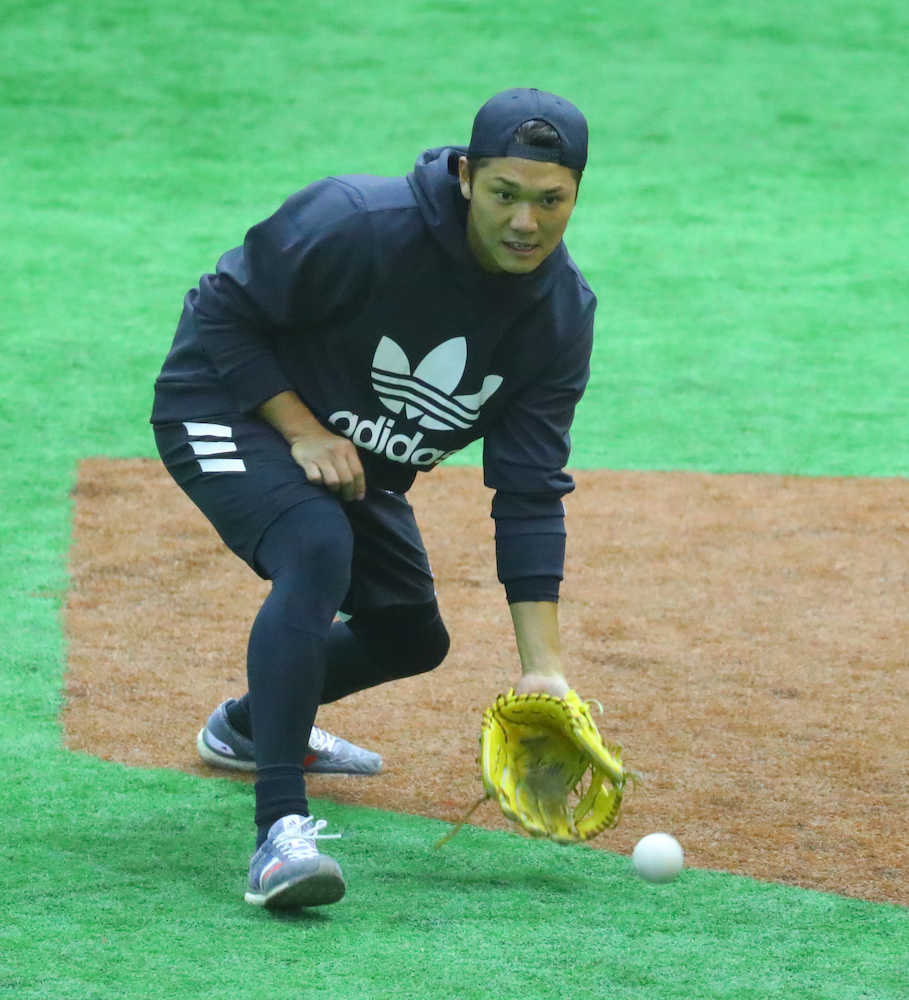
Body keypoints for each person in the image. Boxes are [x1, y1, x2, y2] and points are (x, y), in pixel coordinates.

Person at [151, 87, 596, 910]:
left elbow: (529, 491)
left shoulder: (557, 317)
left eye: (550, 200)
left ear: (574, 195)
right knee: (317, 547)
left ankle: (249, 726)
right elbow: (219, 310)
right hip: (225, 402)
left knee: (408, 634)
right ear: (466, 176)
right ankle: (279, 833)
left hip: (352, 455)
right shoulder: (357, 220)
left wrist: (544, 670)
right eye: (504, 194)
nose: (525, 222)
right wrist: (297, 427)